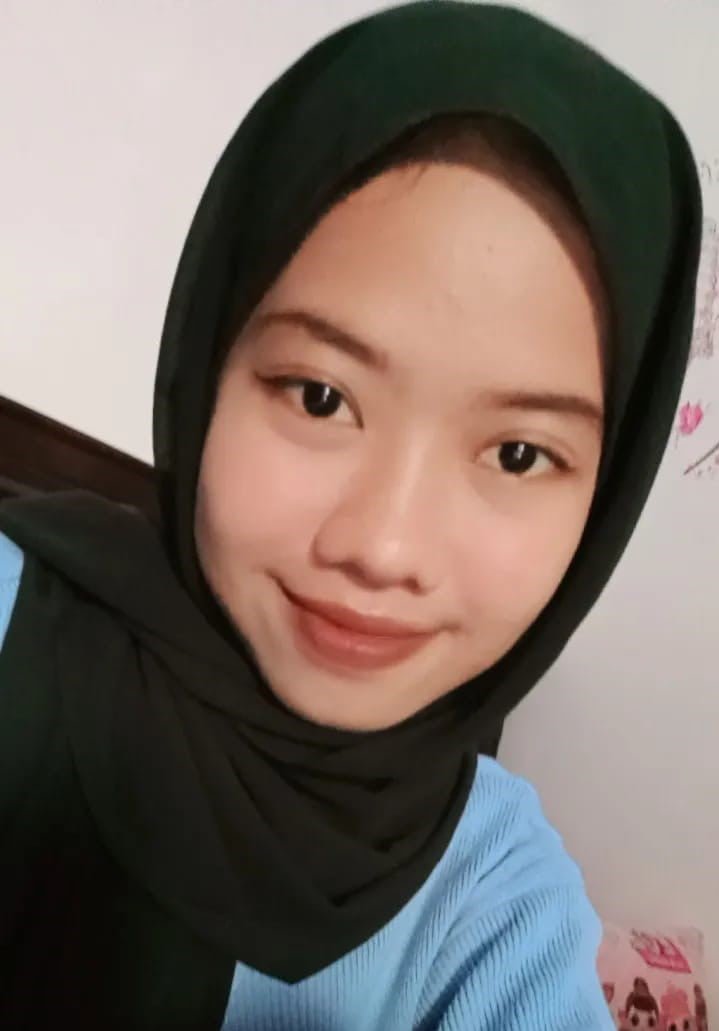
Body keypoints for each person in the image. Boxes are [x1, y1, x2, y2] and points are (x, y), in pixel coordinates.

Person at [0, 1, 702, 1028]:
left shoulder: (493, 908)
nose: (383, 547)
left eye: (517, 453)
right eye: (319, 396)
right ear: (206, 363)